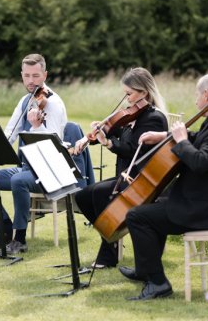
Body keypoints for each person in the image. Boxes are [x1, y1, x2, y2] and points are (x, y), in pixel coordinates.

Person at [120, 73, 208, 300]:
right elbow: (198, 137)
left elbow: (201, 162)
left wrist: (182, 141)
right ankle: (147, 270)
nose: (196, 100)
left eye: (198, 94)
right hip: (202, 202)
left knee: (136, 216)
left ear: (207, 94)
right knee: (152, 204)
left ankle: (158, 283)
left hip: (205, 210)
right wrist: (165, 135)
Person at [0, 53, 67, 254]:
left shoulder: (53, 103)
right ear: (22, 75)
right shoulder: (25, 101)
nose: (31, 81)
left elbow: (55, 141)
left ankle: (19, 238)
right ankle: (5, 229)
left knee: (18, 181)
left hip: (48, 170)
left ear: (45, 75)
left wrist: (36, 127)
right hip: (25, 167)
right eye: (27, 76)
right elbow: (10, 132)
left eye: (36, 76)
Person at [74, 67, 168, 269]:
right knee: (82, 197)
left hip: (141, 181)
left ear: (144, 92)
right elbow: (108, 129)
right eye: (125, 94)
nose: (126, 100)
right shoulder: (131, 115)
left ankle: (108, 253)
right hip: (124, 177)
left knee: (99, 193)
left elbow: (132, 150)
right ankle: (113, 237)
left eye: (129, 94)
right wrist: (89, 138)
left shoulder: (153, 118)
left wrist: (108, 143)